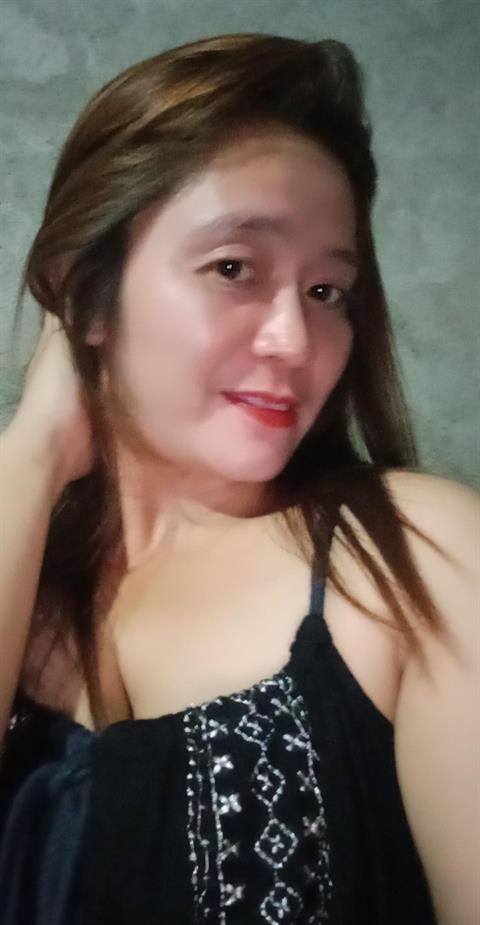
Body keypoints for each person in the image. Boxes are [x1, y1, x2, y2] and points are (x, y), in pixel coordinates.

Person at [0, 31, 477, 925]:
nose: (295, 341)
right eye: (233, 268)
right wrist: (31, 452)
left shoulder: (418, 558)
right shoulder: (21, 558)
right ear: (87, 293)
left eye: (327, 292)